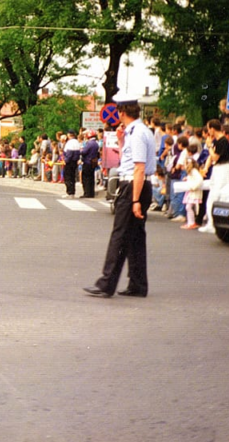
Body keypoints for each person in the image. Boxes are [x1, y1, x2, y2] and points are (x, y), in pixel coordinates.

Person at [84, 92, 156, 299]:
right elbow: (131, 160)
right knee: (135, 238)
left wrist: (134, 200)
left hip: (133, 186)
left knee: (120, 235)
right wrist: (121, 141)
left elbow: (139, 168)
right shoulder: (137, 131)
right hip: (137, 185)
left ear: (122, 112)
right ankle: (138, 283)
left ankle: (106, 283)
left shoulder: (138, 132)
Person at [199, 119, 229, 233]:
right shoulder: (217, 141)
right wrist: (205, 168)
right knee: (211, 196)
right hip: (217, 168)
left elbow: (215, 157)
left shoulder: (222, 141)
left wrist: (209, 146)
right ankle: (211, 222)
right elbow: (210, 157)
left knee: (216, 196)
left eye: (209, 129)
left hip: (223, 169)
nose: (208, 131)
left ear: (212, 129)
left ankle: (214, 224)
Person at [180, 157, 204, 230]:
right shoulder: (192, 172)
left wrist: (193, 187)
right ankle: (190, 222)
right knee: (189, 207)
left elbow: (199, 180)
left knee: (188, 207)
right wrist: (187, 179)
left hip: (193, 191)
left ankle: (191, 222)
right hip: (191, 191)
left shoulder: (194, 171)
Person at [80, 130, 100, 198]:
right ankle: (91, 193)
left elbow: (84, 152)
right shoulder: (96, 143)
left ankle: (87, 193)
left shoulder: (89, 143)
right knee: (91, 178)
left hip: (87, 162)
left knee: (86, 178)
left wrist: (81, 150)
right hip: (93, 162)